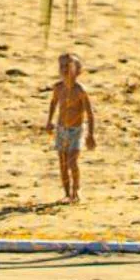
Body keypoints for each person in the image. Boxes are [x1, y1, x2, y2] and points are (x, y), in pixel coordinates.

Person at [44, 53, 95, 202]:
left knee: (72, 161)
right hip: (61, 129)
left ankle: (76, 191)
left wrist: (90, 134)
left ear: (78, 70)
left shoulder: (80, 91)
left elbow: (90, 113)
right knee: (63, 162)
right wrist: (49, 122)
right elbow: (53, 103)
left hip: (76, 130)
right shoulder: (58, 88)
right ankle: (66, 193)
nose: (65, 69)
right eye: (62, 66)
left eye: (69, 65)